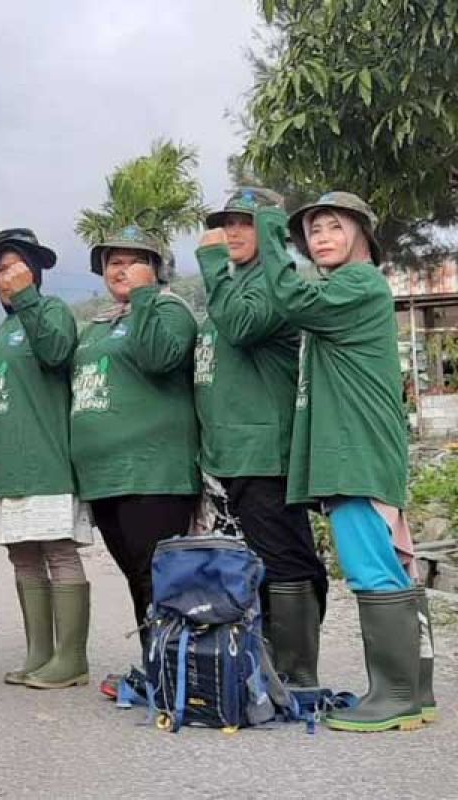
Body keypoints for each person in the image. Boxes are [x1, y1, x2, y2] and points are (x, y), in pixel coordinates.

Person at [261, 192, 434, 732]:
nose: (320, 237)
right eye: (312, 230)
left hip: (354, 450)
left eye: (334, 226)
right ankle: (416, 693)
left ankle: (395, 695)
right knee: (392, 563)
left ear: (362, 234)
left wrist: (268, 226)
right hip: (354, 448)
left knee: (371, 568)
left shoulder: (357, 284)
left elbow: (287, 297)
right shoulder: (342, 289)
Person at [194, 188, 328, 689]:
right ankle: (265, 660)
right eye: (226, 223)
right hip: (227, 453)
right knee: (255, 561)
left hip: (263, 451)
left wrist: (209, 264)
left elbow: (244, 326)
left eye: (246, 223)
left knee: (286, 559)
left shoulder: (275, 281)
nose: (231, 233)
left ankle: (297, 673)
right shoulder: (231, 285)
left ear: (270, 229)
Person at [68, 225, 199, 693]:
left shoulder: (170, 310)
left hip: (154, 471)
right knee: (136, 575)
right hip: (105, 477)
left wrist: (143, 299)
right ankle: (157, 665)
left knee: (157, 574)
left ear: (156, 269)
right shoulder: (100, 324)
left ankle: (176, 671)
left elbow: (160, 357)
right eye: (112, 262)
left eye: (133, 260)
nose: (120, 269)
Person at [0, 228, 89, 689]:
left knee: (58, 553)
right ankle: (39, 652)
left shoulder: (51, 312)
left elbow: (57, 351)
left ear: (36, 272)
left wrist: (28, 299)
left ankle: (72, 658)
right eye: (1, 271)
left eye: (17, 266)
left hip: (48, 461)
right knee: (23, 556)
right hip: (10, 467)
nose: (9, 277)